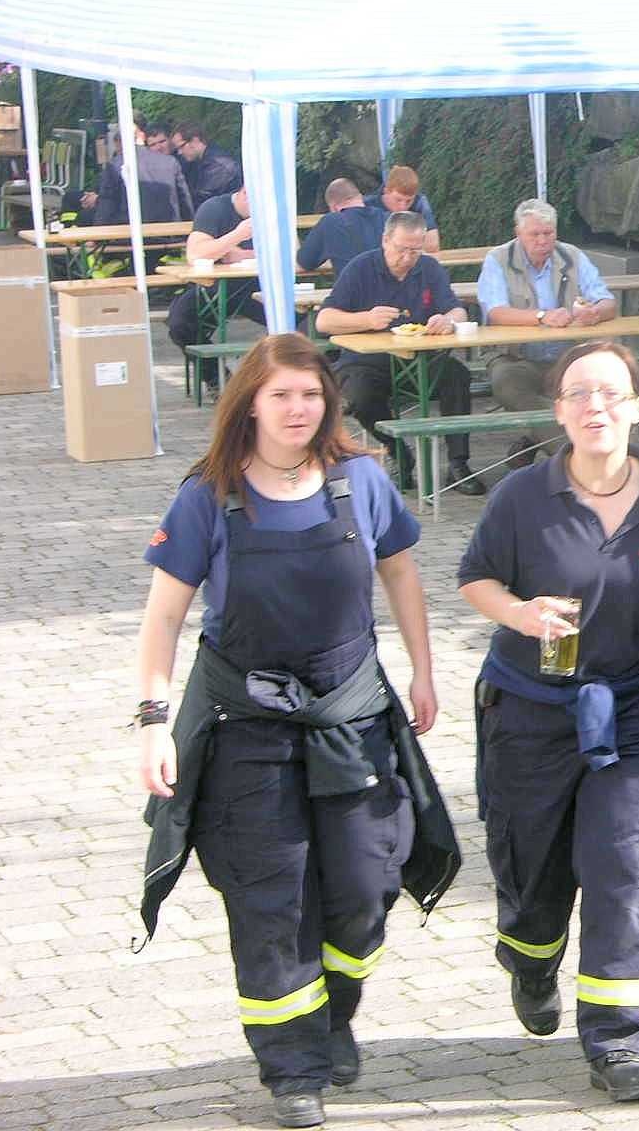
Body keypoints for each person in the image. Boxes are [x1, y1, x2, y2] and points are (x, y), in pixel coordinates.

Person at [134, 333, 460, 1129]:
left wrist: (422, 668)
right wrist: (151, 721)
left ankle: (333, 1014)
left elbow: (402, 575)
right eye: (280, 394)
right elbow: (164, 619)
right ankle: (292, 1067)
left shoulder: (362, 483)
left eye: (310, 395)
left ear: (329, 403)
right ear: (249, 401)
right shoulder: (206, 497)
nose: (296, 408)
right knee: (270, 901)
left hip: (350, 718)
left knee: (363, 886)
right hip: (244, 729)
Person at [458, 340, 639, 1103]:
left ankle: (617, 1039)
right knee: (532, 871)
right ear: (558, 410)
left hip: (627, 711)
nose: (597, 407)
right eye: (580, 394)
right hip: (528, 710)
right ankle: (529, 958)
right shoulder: (524, 495)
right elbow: (475, 578)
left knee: (621, 867)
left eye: (612, 393)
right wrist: (520, 613)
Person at [315, 210, 487, 496]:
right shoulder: (361, 268)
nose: (407, 257)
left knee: (456, 376)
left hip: (420, 357)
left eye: (415, 251)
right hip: (366, 360)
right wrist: (366, 320)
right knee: (358, 394)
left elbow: (456, 308)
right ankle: (398, 453)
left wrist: (449, 320)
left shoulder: (429, 268)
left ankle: (458, 463)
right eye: (401, 249)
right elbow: (324, 320)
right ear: (385, 240)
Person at [478, 197, 617, 465]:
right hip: (515, 357)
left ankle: (536, 442)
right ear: (518, 234)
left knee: (613, 378)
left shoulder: (572, 256)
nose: (542, 240)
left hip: (568, 356)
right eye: (534, 234)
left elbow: (608, 301)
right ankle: (577, 456)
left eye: (548, 233)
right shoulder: (497, 259)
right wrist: (542, 316)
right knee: (508, 384)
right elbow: (496, 312)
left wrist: (595, 312)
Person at [168, 186, 258, 395]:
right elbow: (197, 254)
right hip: (215, 285)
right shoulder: (214, 208)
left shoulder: (275, 210)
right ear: (245, 193)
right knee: (179, 323)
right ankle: (218, 379)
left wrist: (236, 253)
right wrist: (237, 236)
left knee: (304, 321)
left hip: (258, 287)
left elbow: (293, 251)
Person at [90, 125, 195, 226]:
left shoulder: (115, 164)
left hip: (129, 235)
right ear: (143, 137)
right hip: (170, 234)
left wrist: (96, 238)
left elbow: (107, 204)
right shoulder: (171, 162)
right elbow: (184, 200)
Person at [297, 177, 390, 274]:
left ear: (333, 207)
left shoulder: (330, 222)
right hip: (389, 287)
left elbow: (305, 262)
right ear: (360, 197)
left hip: (352, 287)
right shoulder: (388, 218)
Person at [365, 165, 441, 252]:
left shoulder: (419, 202)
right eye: (398, 200)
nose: (403, 207)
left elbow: (432, 245)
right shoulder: (367, 205)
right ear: (386, 191)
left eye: (409, 201)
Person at [171, 120, 243, 209]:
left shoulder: (218, 166)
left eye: (181, 146)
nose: (179, 152)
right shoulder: (198, 162)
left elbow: (202, 200)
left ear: (195, 140)